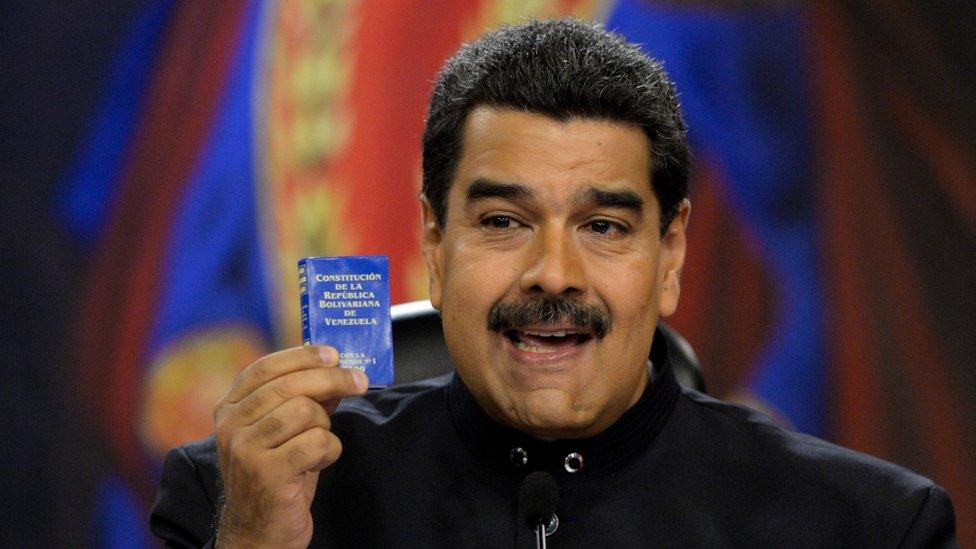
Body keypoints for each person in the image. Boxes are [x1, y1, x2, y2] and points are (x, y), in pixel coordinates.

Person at [150, 18, 956, 547]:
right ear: (436, 241)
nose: (553, 274)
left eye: (604, 226)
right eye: (503, 221)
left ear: (670, 254)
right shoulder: (238, 504)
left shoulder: (870, 527)